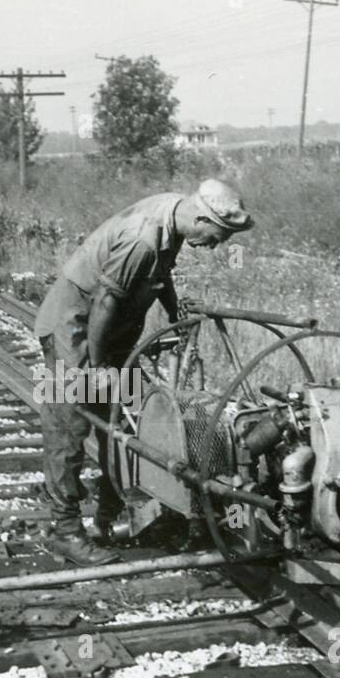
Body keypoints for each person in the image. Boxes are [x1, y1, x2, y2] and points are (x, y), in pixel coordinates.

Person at [32, 179, 254, 565]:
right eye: (217, 235)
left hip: (108, 328)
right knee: (69, 423)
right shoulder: (143, 239)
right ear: (201, 217)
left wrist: (172, 309)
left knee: (122, 419)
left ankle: (112, 511)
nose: (216, 245)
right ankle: (64, 531)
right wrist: (100, 368)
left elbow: (158, 273)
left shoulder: (174, 213)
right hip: (76, 324)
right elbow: (105, 300)